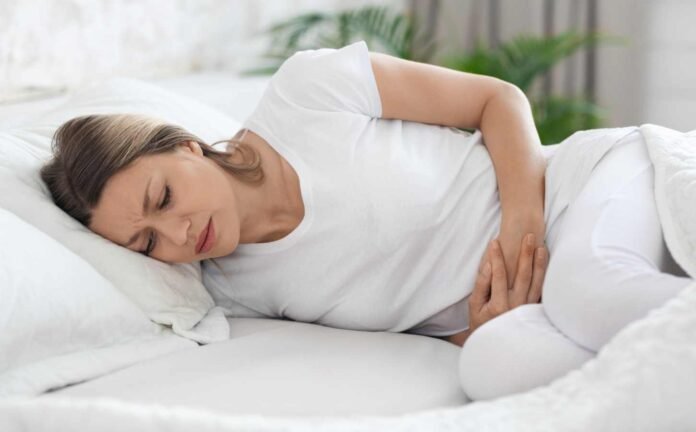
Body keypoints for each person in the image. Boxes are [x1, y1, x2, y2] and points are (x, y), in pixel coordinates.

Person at [40, 41, 691, 401]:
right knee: (498, 373)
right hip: (535, 297)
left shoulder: (307, 91)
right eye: (145, 242)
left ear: (184, 145)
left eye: (162, 197)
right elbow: (415, 326)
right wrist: (481, 330)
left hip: (582, 187)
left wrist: (524, 226)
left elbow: (498, 99)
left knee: (592, 290)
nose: (177, 234)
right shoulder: (236, 293)